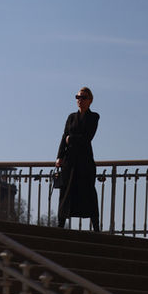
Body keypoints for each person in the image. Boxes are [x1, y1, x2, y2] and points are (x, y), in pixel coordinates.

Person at [55, 87, 100, 232]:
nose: (80, 100)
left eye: (83, 97)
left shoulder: (94, 117)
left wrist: (70, 138)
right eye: (78, 97)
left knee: (88, 191)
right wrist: (59, 156)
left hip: (84, 161)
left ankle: (96, 226)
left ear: (90, 100)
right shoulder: (71, 117)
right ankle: (60, 225)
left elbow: (87, 137)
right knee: (65, 191)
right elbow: (64, 136)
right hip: (70, 161)